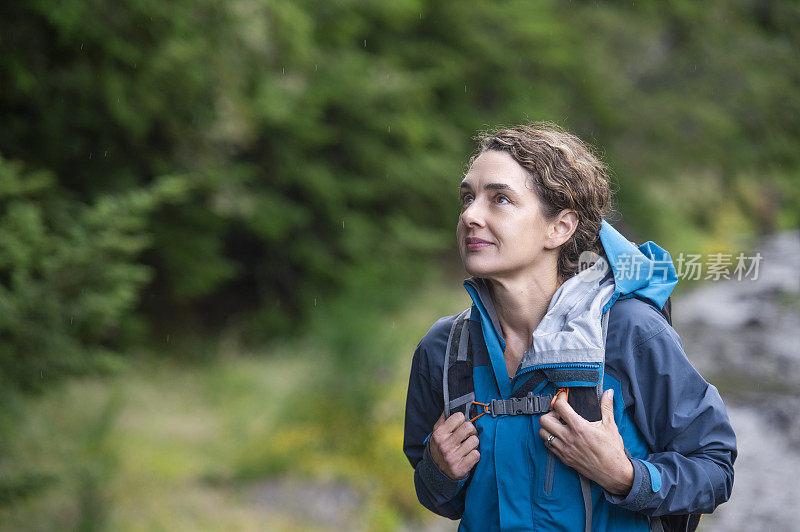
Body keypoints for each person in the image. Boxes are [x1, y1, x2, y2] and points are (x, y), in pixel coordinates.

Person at [403, 123, 736, 531]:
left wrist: (626, 477)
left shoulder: (628, 332)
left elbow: (715, 467)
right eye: (467, 198)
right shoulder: (445, 349)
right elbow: (438, 496)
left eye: (500, 199)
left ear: (560, 227)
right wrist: (439, 472)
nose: (471, 215)